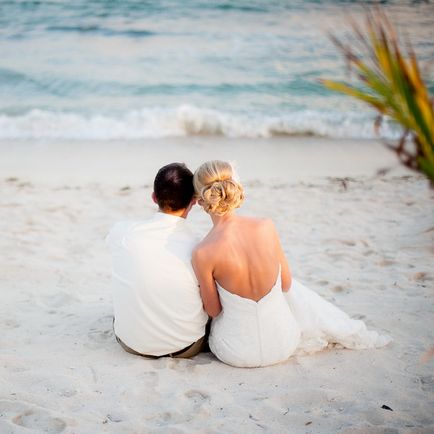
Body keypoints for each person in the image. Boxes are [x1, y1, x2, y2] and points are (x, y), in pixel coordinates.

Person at [191, 160, 392, 368]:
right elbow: (286, 284)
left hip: (235, 352)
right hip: (283, 345)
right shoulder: (265, 226)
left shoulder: (203, 252)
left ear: (199, 200)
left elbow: (213, 311)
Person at [106, 163, 208, 358]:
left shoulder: (123, 232)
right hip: (184, 346)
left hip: (130, 342)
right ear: (194, 201)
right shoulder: (199, 245)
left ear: (154, 197)